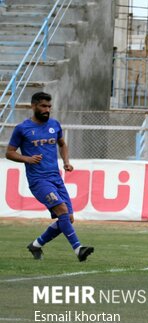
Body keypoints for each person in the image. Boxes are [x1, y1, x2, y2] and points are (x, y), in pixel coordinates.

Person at [5, 92, 94, 261]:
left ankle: (36, 245)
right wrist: (27, 159)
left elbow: (62, 144)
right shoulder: (22, 129)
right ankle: (78, 249)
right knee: (61, 209)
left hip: (56, 178)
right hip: (39, 181)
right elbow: (9, 153)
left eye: (49, 107)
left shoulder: (54, 125)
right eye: (43, 106)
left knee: (67, 218)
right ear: (34, 106)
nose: (47, 110)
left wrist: (66, 162)